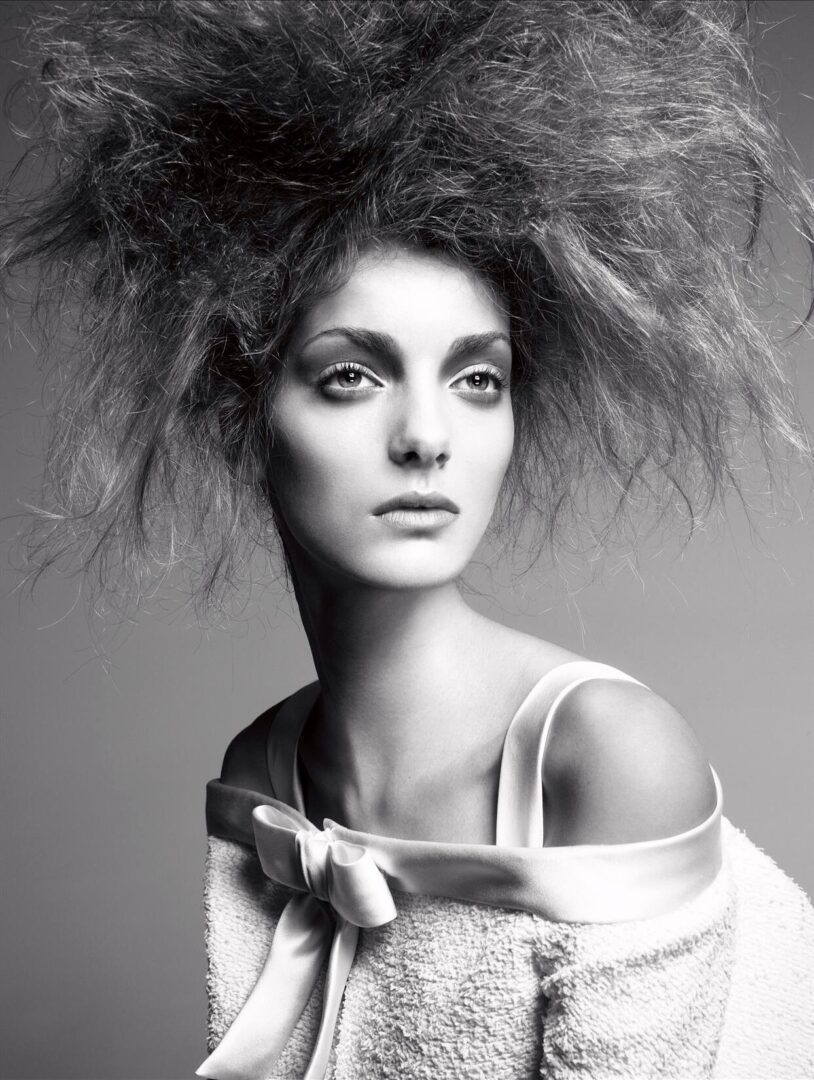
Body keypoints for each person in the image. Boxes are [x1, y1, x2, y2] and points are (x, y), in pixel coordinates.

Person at [2, 2, 813, 1077]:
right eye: (352, 375)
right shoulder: (263, 777)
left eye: (478, 380)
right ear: (239, 407)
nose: (428, 436)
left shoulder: (608, 756)